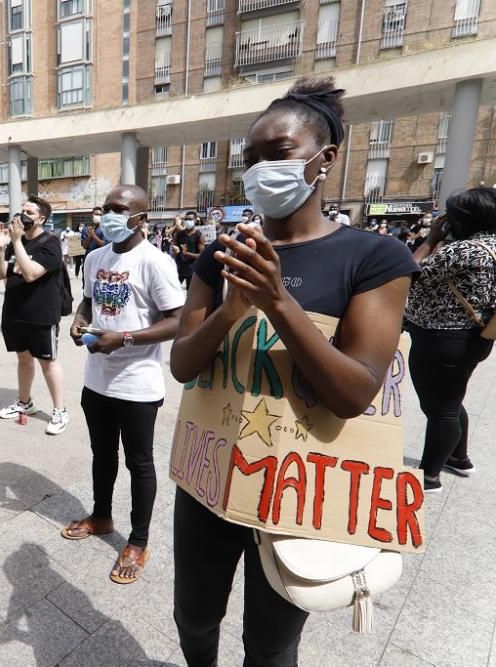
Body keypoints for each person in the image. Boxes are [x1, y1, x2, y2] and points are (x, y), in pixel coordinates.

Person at [167, 76, 419, 664]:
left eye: (276, 155)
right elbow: (183, 364)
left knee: (273, 644)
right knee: (194, 617)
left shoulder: (374, 257)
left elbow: (355, 391)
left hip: (301, 490)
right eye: (249, 160)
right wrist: (232, 309)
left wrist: (278, 302)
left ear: (323, 160)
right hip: (213, 477)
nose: (258, 172)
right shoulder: (220, 255)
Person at [63, 184, 185, 584]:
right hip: (96, 380)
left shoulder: (155, 262)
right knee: (102, 454)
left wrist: (125, 338)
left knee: (139, 462)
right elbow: (87, 300)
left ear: (141, 218)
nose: (109, 216)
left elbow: (178, 320)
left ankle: (138, 540)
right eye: (106, 208)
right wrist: (79, 320)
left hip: (137, 384)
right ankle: (101, 516)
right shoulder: (95, 257)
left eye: (120, 209)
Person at [405, 187, 496, 493]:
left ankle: (429, 476)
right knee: (451, 398)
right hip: (476, 336)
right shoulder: (491, 246)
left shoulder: (463, 251)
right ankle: (458, 457)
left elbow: (406, 271)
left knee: (441, 408)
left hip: (441, 338)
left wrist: (431, 239)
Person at [0, 196, 70, 436]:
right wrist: (1, 247)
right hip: (15, 313)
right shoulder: (15, 242)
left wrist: (15, 242)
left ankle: (60, 410)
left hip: (41, 315)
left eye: (29, 212)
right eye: (22, 209)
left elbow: (30, 273)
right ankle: (24, 402)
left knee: (47, 362)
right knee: (23, 359)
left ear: (41, 219)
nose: (22, 215)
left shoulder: (50, 243)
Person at [172, 211, 204, 288]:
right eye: (186, 219)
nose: (187, 221)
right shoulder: (178, 235)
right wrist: (175, 251)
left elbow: (201, 255)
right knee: (172, 290)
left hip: (192, 270)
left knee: (190, 294)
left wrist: (187, 253)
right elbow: (175, 251)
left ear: (195, 220)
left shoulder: (199, 235)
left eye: (190, 219)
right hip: (179, 268)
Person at [78, 206, 105, 279]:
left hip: (101, 261)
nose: (98, 216)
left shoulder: (105, 229)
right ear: (92, 215)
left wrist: (93, 236)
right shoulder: (86, 229)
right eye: (96, 214)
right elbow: (84, 246)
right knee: (87, 283)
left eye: (100, 215)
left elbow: (104, 244)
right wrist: (90, 236)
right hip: (88, 260)